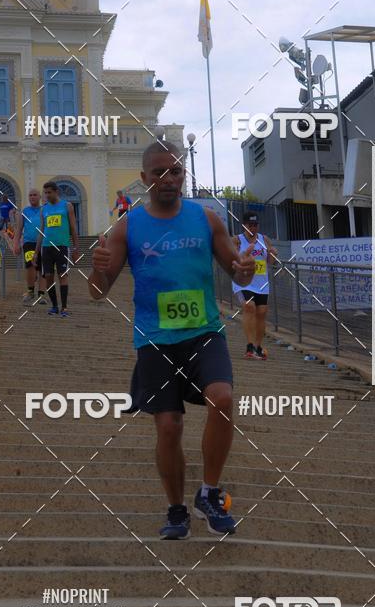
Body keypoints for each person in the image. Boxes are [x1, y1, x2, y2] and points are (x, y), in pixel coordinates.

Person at [88, 142, 256, 540]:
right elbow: (98, 292)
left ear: (184, 176)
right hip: (155, 340)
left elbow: (239, 274)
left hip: (204, 332)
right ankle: (176, 509)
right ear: (144, 178)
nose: (169, 179)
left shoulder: (207, 219)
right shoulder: (127, 227)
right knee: (168, 426)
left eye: (176, 171)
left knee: (224, 397)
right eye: (160, 172)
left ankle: (209, 493)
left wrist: (246, 270)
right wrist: (95, 272)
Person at [232, 211, 278, 360]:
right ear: (244, 226)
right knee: (249, 306)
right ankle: (249, 346)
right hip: (243, 281)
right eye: (250, 225)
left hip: (261, 283)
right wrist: (240, 257)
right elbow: (229, 260)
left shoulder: (264, 239)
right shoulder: (237, 241)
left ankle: (258, 346)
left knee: (262, 311)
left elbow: (271, 263)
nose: (253, 228)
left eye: (255, 225)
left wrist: (273, 255)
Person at [34, 181, 79, 317]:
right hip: (46, 248)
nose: (47, 195)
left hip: (62, 247)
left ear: (56, 192)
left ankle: (64, 307)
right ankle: (54, 306)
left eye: (49, 192)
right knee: (48, 277)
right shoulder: (44, 209)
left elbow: (73, 227)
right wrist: (36, 252)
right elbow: (41, 230)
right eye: (45, 193)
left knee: (63, 275)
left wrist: (76, 248)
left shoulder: (67, 206)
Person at [14, 189, 47, 305]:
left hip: (44, 243)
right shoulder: (25, 211)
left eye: (34, 195)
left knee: (42, 268)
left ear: (39, 197)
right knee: (30, 266)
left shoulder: (45, 210)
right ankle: (30, 291)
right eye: (30, 195)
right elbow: (18, 229)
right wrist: (16, 243)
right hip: (29, 242)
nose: (32, 197)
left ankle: (42, 295)